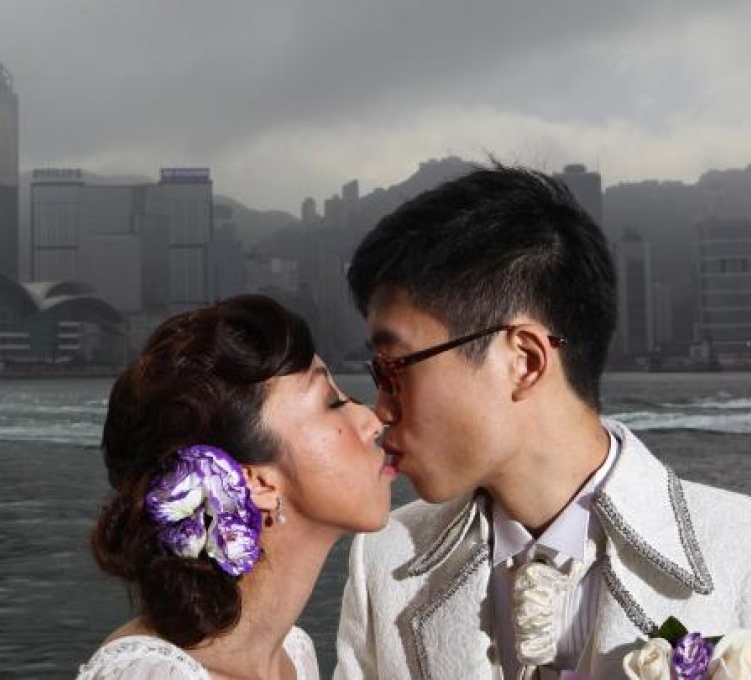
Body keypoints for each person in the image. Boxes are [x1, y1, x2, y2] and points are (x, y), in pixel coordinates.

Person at [334, 165, 751, 679]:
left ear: (525, 361)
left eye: (394, 368)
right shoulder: (384, 561)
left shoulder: (741, 552)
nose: (378, 410)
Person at [78, 294, 395, 679]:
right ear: (255, 481)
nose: (372, 421)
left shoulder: (293, 655)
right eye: (332, 404)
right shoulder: (155, 675)